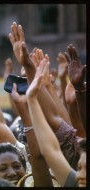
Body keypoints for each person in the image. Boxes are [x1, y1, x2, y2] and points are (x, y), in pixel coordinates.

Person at [26, 57, 86, 187]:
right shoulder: (74, 184)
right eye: (79, 168)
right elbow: (50, 150)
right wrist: (31, 98)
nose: (80, 175)